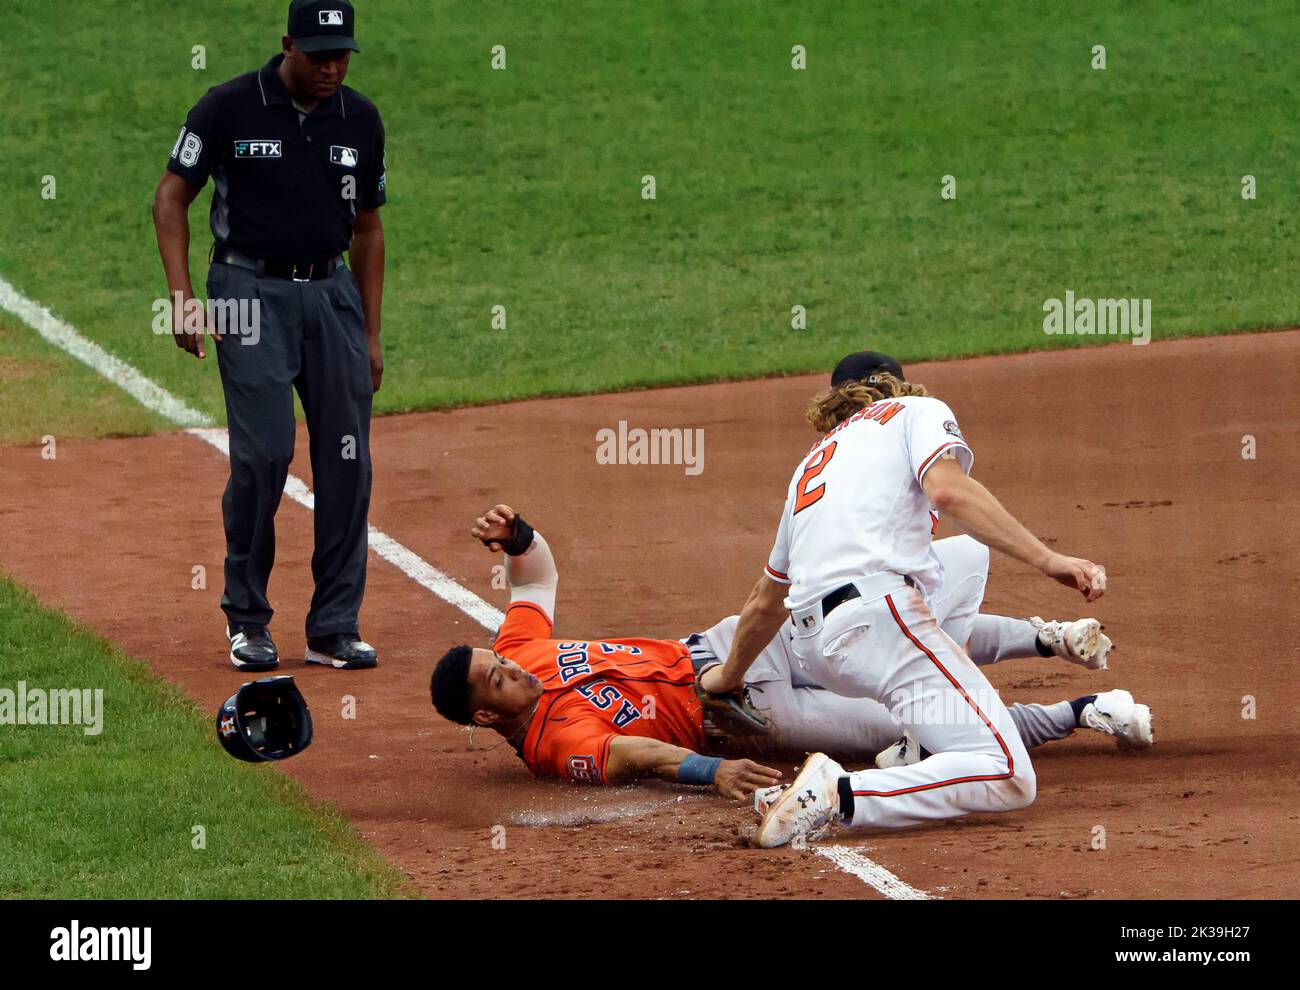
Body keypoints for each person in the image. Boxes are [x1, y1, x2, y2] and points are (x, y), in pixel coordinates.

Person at [428, 505, 1151, 801]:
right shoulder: (554, 745)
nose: (513, 666)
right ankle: (1078, 712)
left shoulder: (518, 644)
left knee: (886, 638)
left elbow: (538, 577)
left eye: (501, 660)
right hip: (753, 713)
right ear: (489, 720)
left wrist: (518, 536)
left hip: (733, 647)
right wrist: (712, 771)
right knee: (917, 724)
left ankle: (1046, 636)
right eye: (500, 681)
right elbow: (631, 757)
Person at [701, 350, 1123, 847]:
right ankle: (839, 793)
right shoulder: (915, 413)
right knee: (1009, 774)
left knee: (965, 554)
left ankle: (918, 742)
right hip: (880, 618)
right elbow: (949, 492)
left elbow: (766, 600)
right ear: (899, 386)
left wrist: (726, 677)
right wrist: (1048, 559)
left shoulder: (808, 469)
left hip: (816, 647)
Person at [152, 0, 386, 671]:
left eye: (340, 55)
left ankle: (334, 627)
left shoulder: (361, 120)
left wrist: (369, 332)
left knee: (347, 461)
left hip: (332, 294)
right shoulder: (228, 107)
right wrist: (182, 299)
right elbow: (171, 197)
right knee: (264, 455)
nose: (331, 67)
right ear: (288, 45)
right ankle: (247, 619)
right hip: (246, 294)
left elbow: (368, 229)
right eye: (317, 55)